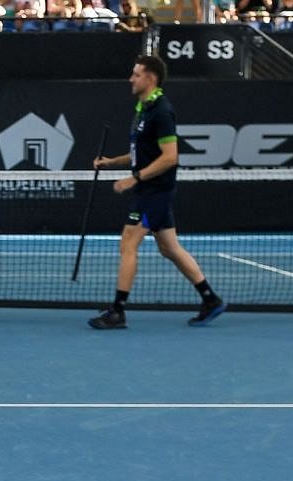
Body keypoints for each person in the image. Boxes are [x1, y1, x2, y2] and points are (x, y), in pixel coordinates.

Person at [88, 55, 225, 330]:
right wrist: (113, 162)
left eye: (136, 74)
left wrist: (133, 179)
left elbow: (170, 157)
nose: (131, 79)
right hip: (150, 190)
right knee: (169, 247)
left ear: (150, 78)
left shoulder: (162, 111)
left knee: (128, 243)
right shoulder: (145, 108)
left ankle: (118, 311)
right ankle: (210, 299)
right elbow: (143, 152)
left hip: (154, 191)